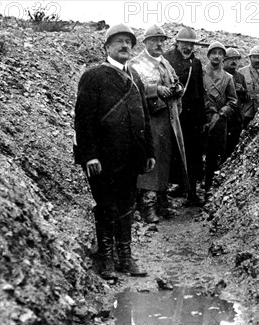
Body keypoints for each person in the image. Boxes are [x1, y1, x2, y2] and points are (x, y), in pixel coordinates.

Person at [74, 23, 155, 279]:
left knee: (126, 206)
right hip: (103, 159)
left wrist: (149, 152)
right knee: (106, 205)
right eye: (119, 41)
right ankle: (106, 259)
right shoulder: (94, 76)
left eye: (129, 42)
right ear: (107, 47)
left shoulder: (135, 77)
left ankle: (125, 257)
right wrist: (89, 155)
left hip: (130, 157)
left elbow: (144, 117)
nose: (125, 46)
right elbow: (83, 120)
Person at [130, 25, 188, 223]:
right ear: (145, 42)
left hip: (169, 119)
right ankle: (147, 205)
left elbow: (175, 81)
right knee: (151, 160)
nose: (159, 43)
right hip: (149, 120)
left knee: (165, 160)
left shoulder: (165, 62)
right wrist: (156, 89)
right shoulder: (136, 64)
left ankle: (161, 200)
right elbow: (134, 89)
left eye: (162, 40)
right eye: (154, 40)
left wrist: (177, 88)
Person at [163, 26, 207, 206]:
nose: (187, 48)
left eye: (191, 44)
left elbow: (198, 91)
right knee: (170, 154)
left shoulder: (195, 64)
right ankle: (166, 194)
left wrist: (202, 118)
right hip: (172, 114)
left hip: (191, 117)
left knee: (193, 154)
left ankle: (192, 193)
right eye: (184, 44)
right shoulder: (166, 60)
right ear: (177, 43)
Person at [202, 41, 237, 197]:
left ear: (224, 57)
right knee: (196, 153)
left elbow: (233, 101)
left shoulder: (228, 77)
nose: (217, 56)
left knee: (214, 155)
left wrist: (222, 113)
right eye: (213, 53)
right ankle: (191, 191)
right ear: (208, 55)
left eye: (220, 54)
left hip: (220, 121)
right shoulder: (200, 73)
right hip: (202, 119)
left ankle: (209, 188)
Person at [222, 47, 249, 162]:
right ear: (224, 61)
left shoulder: (240, 77)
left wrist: (242, 91)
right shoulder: (221, 75)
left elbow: (246, 99)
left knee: (234, 140)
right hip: (223, 113)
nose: (234, 62)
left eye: (236, 59)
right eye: (231, 59)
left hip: (236, 116)